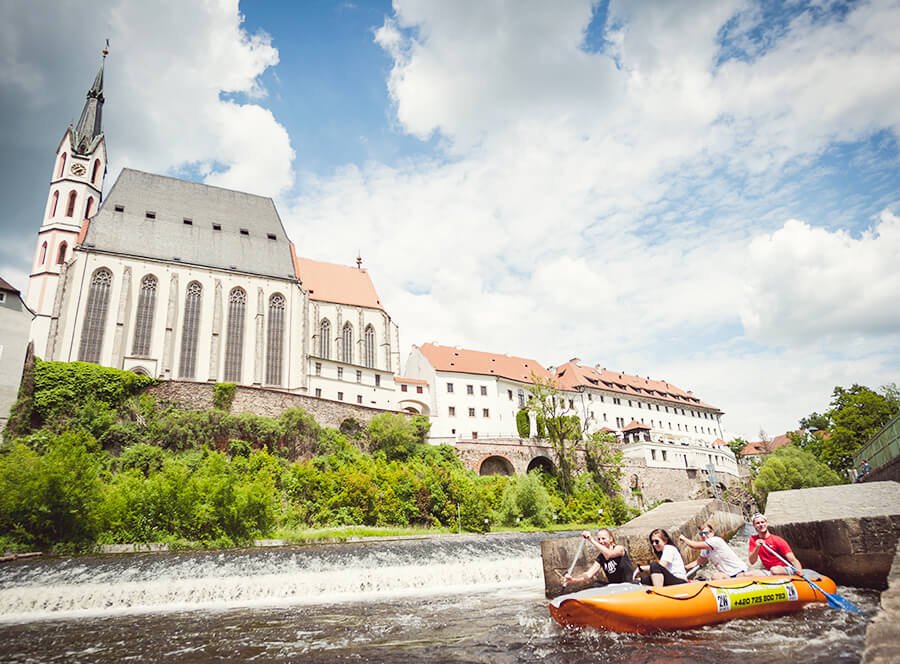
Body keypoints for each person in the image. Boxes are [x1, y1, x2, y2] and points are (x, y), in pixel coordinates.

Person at [564, 528, 635, 586]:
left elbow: (609, 554)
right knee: (596, 584)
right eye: (599, 539)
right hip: (615, 587)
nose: (601, 541)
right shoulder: (601, 558)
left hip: (630, 585)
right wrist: (573, 580)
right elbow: (588, 574)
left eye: (603, 538)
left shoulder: (619, 549)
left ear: (611, 539)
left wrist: (591, 540)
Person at [679, 524, 750, 579]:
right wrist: (683, 568)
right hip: (727, 576)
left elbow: (694, 545)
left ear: (712, 532)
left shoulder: (715, 540)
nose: (703, 535)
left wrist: (683, 538)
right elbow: (697, 562)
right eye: (701, 534)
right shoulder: (705, 550)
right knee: (715, 576)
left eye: (705, 533)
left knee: (715, 576)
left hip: (739, 572)